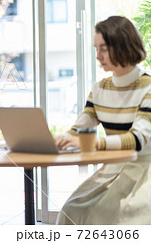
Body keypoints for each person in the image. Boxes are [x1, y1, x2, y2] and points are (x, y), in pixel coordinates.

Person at [54, 16, 151, 224]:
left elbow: (137, 140)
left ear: (124, 45)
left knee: (125, 219)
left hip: (145, 170)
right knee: (71, 211)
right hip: (113, 169)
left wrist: (92, 143)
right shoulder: (99, 89)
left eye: (104, 49)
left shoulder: (148, 88)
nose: (98, 56)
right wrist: (58, 139)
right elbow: (80, 128)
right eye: (96, 49)